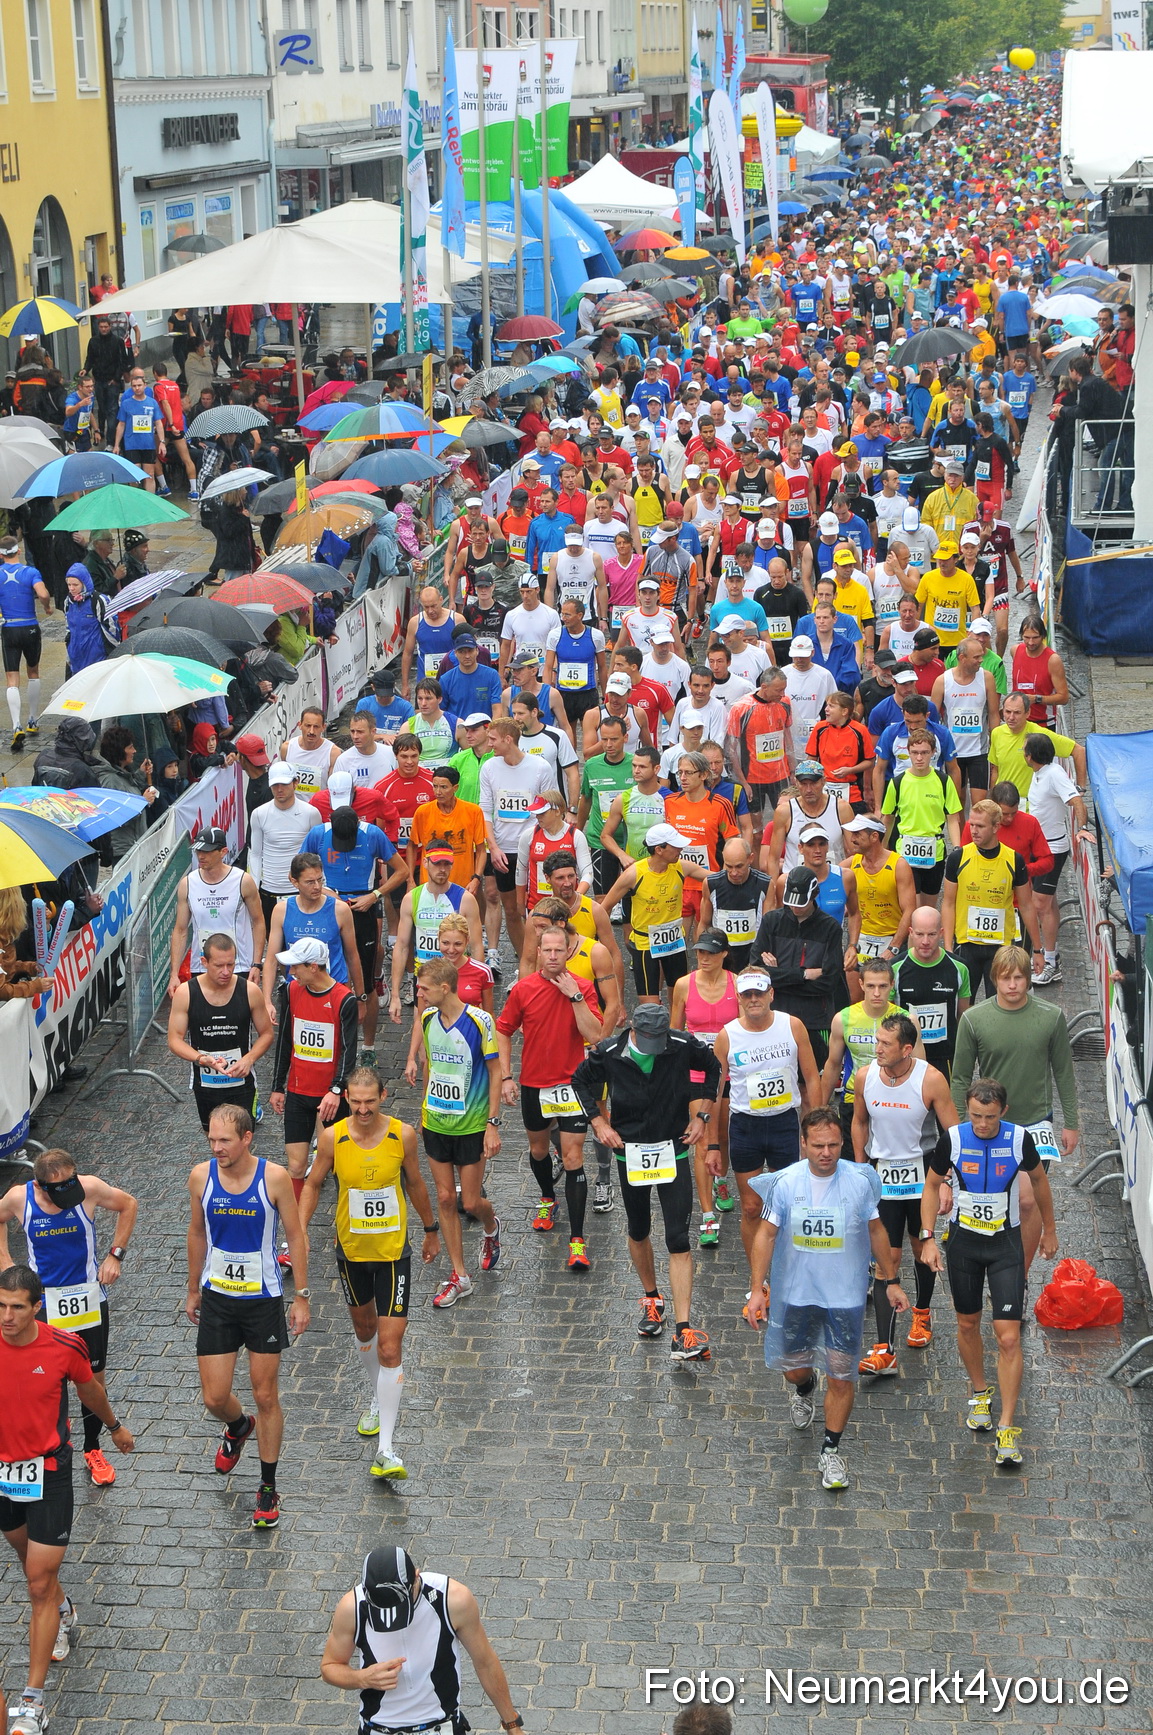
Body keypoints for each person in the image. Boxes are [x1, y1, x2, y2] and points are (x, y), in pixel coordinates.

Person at [0, 1264, 135, 1735]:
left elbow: (89, 1388)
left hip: (50, 1472)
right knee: (27, 1559)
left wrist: (115, 1427)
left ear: (38, 1306)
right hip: (3, 1476)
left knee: (37, 1583)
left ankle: (33, 1701)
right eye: (0, 1305)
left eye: (17, 1307)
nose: (7, 1316)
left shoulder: (63, 1345)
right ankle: (63, 1607)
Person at [745, 1106, 908, 1491]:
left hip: (844, 1298)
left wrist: (890, 1280)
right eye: (818, 1145)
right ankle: (803, 1389)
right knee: (794, 1368)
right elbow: (765, 1235)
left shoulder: (858, 1181)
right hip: (797, 1295)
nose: (827, 1153)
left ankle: (830, 1450)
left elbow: (877, 1230)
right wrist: (757, 1289)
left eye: (834, 1145)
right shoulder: (785, 1183)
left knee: (841, 1374)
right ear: (803, 1144)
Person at [300, 1068, 438, 1480]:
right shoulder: (332, 1138)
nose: (362, 1109)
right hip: (352, 1252)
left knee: (390, 1347)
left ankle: (387, 1449)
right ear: (346, 1099)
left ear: (384, 1096)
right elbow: (313, 1184)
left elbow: (415, 1183)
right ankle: (378, 1399)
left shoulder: (403, 1136)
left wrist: (431, 1230)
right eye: (355, 1102)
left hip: (394, 1253)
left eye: (369, 1101)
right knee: (365, 1333)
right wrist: (300, 1231)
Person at [922, 1077, 1058, 1467]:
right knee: (967, 1324)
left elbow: (1040, 1181)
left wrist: (1049, 1230)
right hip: (964, 1244)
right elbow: (931, 1186)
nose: (982, 1124)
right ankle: (980, 1393)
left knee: (1009, 1336)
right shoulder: (953, 1139)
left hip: (1005, 1246)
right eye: (976, 1116)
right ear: (968, 1110)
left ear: (1004, 1112)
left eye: (990, 1117)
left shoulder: (1018, 1139)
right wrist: (928, 1237)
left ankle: (1006, 1426)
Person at [185, 1104, 309, 1529]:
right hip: (218, 1297)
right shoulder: (201, 1176)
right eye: (212, 1140)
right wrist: (192, 1288)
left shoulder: (272, 1178)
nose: (216, 1147)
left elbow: (295, 1234)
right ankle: (238, 1428)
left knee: (266, 1395)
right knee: (214, 1398)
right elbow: (197, 1231)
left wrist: (303, 1296)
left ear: (247, 1138)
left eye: (225, 1140)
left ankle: (268, 1487)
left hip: (262, 1299)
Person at [572, 1002, 719, 1361]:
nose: (658, 1045)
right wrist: (598, 1123)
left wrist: (702, 1116)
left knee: (678, 1237)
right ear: (633, 1031)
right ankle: (652, 1298)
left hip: (673, 1149)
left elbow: (714, 1068)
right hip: (630, 1152)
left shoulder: (682, 1044)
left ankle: (683, 1330)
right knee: (639, 1229)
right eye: (650, 1040)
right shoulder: (609, 1052)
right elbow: (579, 1081)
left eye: (661, 1039)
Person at [0, 1151, 137, 1489]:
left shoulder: (88, 1189)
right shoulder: (20, 1197)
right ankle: (52, 1447)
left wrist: (115, 1255)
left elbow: (128, 1204)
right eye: (57, 1191)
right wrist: (4, 1261)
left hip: (87, 1301)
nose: (67, 1196)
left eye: (70, 1186)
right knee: (47, 1377)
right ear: (38, 1185)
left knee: (92, 1377)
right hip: (43, 1305)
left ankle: (93, 1448)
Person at [950, 945, 1078, 1272]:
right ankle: (992, 1261)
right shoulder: (975, 1019)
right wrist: (959, 1128)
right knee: (991, 1198)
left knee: (1027, 1200)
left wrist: (1072, 1122)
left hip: (1035, 1123)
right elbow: (961, 1076)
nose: (1012, 985)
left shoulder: (1051, 1017)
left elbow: (1063, 1070)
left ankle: (1016, 1274)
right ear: (995, 979)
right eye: (1005, 979)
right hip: (989, 1125)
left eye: (1019, 978)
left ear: (1029, 978)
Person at [319, 1544, 523, 1735]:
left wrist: (512, 1725)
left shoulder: (452, 1599)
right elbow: (330, 1666)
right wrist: (362, 1678)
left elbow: (485, 1663)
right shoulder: (352, 1607)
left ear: (416, 1577)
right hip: (378, 1728)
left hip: (442, 1727)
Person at [851, 1015, 957, 1375]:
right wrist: (861, 1167)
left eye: (885, 1044)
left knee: (920, 1247)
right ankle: (884, 1347)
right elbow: (860, 1121)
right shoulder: (865, 1077)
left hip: (924, 1173)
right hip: (884, 1174)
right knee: (887, 1257)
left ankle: (922, 1313)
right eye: (876, 1041)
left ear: (907, 1049)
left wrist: (945, 1181)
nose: (876, 1048)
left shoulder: (930, 1079)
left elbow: (952, 1134)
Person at [497, 925, 604, 1267]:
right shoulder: (524, 989)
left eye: (560, 950)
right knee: (539, 1150)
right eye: (549, 951)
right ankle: (547, 1196)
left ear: (568, 952)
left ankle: (577, 1241)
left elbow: (596, 1035)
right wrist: (506, 1076)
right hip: (534, 1084)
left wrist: (574, 996)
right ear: (539, 953)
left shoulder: (584, 988)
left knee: (573, 1159)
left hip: (572, 1085)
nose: (554, 956)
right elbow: (503, 1031)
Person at [713, 967, 821, 1279]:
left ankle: (789, 1274)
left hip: (785, 1124)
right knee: (750, 1207)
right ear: (739, 999)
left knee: (788, 1204)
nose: (754, 999)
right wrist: (712, 1145)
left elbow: (811, 1077)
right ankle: (759, 1279)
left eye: (759, 992)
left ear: (771, 994)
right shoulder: (727, 1036)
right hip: (746, 1127)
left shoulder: (793, 1026)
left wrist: (817, 1123)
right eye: (747, 994)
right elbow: (716, 1093)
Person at [415, 957, 503, 1309]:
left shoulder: (480, 1022)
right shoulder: (425, 1019)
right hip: (435, 1122)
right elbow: (430, 1066)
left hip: (471, 1125)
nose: (419, 994)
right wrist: (423, 1107)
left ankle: (490, 1225)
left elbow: (496, 1072)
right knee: (446, 1199)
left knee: (470, 1201)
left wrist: (492, 1125)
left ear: (444, 988)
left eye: (424, 988)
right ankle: (459, 1276)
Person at [302, 802, 408, 1060]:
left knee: (367, 983)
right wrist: (324, 893)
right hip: (329, 906)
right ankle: (331, 1040)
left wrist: (375, 895)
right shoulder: (318, 834)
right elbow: (298, 873)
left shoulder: (373, 834)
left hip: (363, 908)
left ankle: (369, 1048)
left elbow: (403, 871)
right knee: (326, 977)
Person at [269, 935, 359, 1197]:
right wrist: (277, 1086)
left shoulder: (345, 1000)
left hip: (330, 1097)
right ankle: (296, 1230)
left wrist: (336, 1089)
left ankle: (342, 1231)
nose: (291, 971)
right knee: (296, 1166)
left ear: (314, 967)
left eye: (296, 966)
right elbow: (285, 1040)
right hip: (298, 1093)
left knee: (336, 1166)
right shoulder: (290, 990)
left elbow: (348, 1050)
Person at [670, 929, 739, 1244]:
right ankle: (707, 1215)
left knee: (721, 1134)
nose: (704, 958)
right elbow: (674, 1030)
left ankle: (720, 1178)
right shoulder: (684, 985)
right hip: (696, 1075)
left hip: (728, 1074)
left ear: (724, 954)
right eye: (699, 953)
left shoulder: (737, 985)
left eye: (711, 953)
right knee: (700, 1139)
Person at [169, 931, 275, 1130]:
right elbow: (174, 1039)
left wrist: (249, 1059)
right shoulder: (186, 993)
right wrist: (200, 1059)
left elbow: (267, 1034)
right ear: (204, 962)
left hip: (242, 1083)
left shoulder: (249, 991)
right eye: (219, 965)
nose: (226, 971)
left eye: (231, 964)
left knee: (242, 1140)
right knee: (215, 1140)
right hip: (206, 1084)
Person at [941, 799, 1043, 1000]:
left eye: (980, 826)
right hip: (966, 944)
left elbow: (1027, 906)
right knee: (961, 1006)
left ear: (996, 827)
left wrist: (1038, 950)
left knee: (1001, 1005)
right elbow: (948, 903)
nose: (974, 831)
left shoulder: (1014, 860)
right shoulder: (958, 858)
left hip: (1000, 947)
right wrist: (947, 948)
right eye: (972, 825)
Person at [599, 823, 709, 1003]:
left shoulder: (682, 866)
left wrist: (738, 872)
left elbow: (714, 877)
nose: (681, 849)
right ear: (659, 849)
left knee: (679, 1002)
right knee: (649, 1005)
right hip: (645, 945)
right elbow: (604, 908)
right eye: (675, 846)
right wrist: (604, 940)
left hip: (674, 941)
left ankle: (675, 1031)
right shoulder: (634, 874)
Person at [752, 865, 847, 1069]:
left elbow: (828, 982)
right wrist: (803, 974)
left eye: (801, 904)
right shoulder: (771, 921)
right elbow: (756, 974)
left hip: (814, 1021)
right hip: (776, 1018)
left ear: (813, 895)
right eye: (791, 903)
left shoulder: (830, 928)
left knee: (811, 1083)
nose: (795, 908)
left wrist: (777, 976)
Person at [477, 718, 552, 965]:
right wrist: (494, 848)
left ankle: (544, 959)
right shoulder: (489, 768)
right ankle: (525, 963)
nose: (489, 744)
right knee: (511, 910)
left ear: (508, 739)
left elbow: (549, 808)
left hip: (532, 850)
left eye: (493, 739)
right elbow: (485, 811)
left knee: (537, 910)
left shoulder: (539, 767)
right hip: (503, 850)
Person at [1022, 731, 1090, 984]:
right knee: (1047, 904)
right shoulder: (1040, 774)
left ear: (1030, 755)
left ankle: (1050, 961)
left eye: (1024, 750)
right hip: (1039, 846)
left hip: (1052, 849)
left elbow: (1076, 801)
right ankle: (1052, 956)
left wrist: (1082, 829)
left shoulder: (1054, 775)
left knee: (1040, 904)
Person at [169, 827, 266, 992]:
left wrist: (256, 964)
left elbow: (258, 922)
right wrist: (174, 974)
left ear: (223, 852)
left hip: (238, 965)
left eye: (207, 851)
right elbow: (180, 929)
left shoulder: (243, 880)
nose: (201, 856)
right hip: (202, 966)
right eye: (198, 850)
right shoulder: (188, 883)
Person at [263, 850, 364, 1000]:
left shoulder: (340, 910)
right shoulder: (281, 911)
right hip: (298, 991)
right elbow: (271, 960)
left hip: (335, 990)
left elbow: (352, 955)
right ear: (294, 881)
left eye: (320, 880)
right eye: (310, 882)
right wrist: (266, 1000)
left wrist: (361, 997)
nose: (317, 886)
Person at [880, 731, 962, 908]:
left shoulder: (943, 781)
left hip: (935, 852)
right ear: (908, 752)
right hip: (906, 853)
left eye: (924, 752)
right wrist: (881, 849)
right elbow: (888, 819)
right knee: (912, 909)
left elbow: (953, 819)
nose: (919, 758)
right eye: (915, 752)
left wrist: (957, 848)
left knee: (928, 910)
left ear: (933, 753)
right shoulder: (897, 783)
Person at [893, 906, 971, 1078]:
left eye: (932, 934)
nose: (926, 941)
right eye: (920, 934)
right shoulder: (895, 968)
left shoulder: (959, 968)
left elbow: (964, 1017)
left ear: (941, 933)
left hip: (946, 1058)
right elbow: (888, 1020)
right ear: (911, 932)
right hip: (907, 1058)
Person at [247, 761, 322, 928]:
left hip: (302, 889)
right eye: (275, 785)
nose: (279, 789)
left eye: (284, 784)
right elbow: (255, 853)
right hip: (270, 889)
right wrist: (254, 887)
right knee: (273, 939)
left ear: (295, 783)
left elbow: (318, 853)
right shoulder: (259, 814)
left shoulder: (311, 813)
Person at [0, 535, 53, 749]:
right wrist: (47, 607)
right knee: (33, 672)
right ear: (19, 551)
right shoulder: (30, 572)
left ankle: (16, 725)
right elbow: (42, 593)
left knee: (12, 678)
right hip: (30, 626)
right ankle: (33, 719)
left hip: (10, 629)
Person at [699, 838, 771, 974]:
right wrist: (701, 957)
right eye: (728, 866)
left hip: (752, 956)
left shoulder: (765, 885)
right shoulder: (711, 884)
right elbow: (704, 924)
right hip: (721, 956)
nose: (733, 873)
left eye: (739, 866)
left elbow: (769, 929)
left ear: (750, 859)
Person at [279, 705, 341, 796]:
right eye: (308, 726)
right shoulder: (287, 748)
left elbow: (333, 788)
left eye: (316, 727)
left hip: (318, 807)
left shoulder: (333, 753)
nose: (311, 731)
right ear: (300, 725)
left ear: (323, 727)